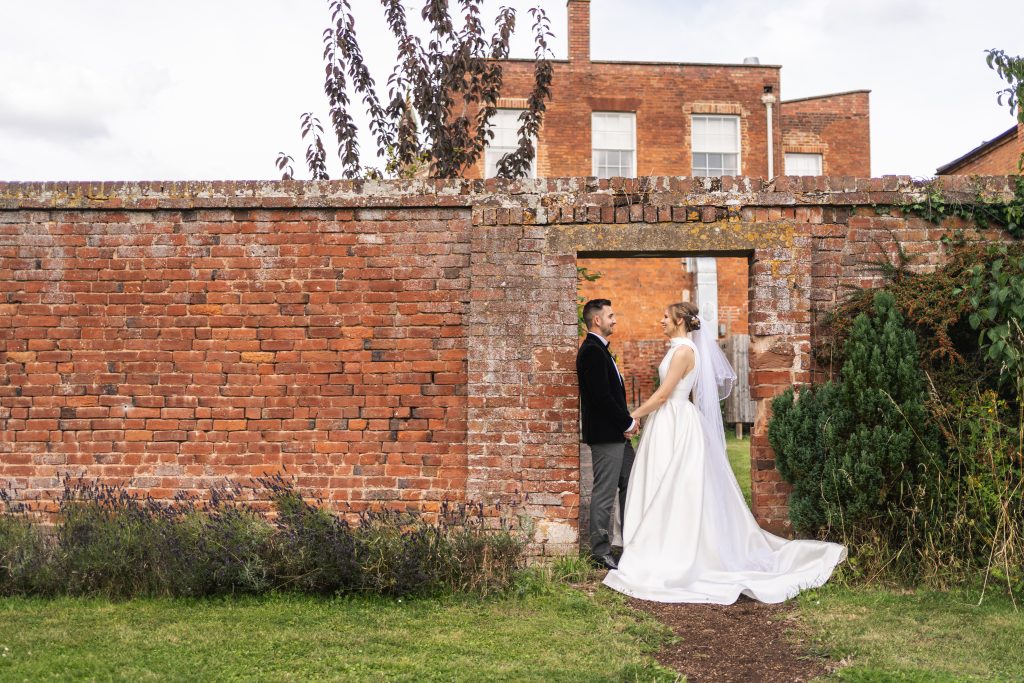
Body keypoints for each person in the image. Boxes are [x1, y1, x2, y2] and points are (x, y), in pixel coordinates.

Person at [603, 302, 846, 604]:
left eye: (665, 316)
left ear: (680, 321)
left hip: (675, 419)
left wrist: (633, 416)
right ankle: (657, 542)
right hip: (669, 421)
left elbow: (665, 393)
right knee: (662, 482)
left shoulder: (683, 352)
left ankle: (671, 549)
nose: (661, 320)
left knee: (676, 486)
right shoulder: (679, 348)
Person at [576, 298, 638, 570]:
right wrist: (626, 423)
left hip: (617, 435)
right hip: (606, 436)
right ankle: (599, 551)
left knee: (633, 484)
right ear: (597, 320)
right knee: (604, 492)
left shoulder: (601, 350)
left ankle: (633, 542)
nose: (614, 319)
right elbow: (600, 397)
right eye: (610, 315)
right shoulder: (590, 351)